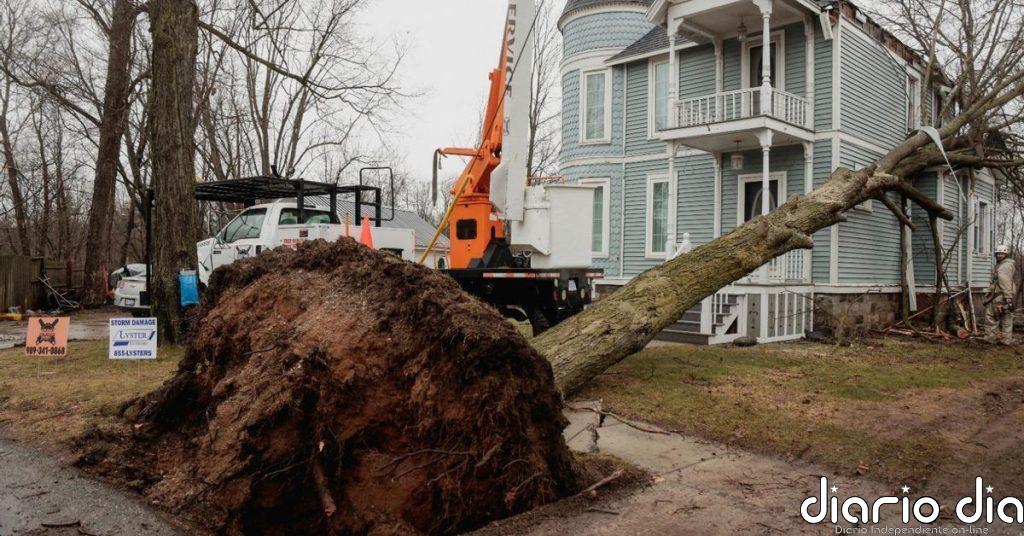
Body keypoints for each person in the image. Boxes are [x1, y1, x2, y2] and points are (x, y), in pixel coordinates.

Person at [985, 245, 1017, 344]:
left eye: (1002, 253)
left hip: (1000, 295)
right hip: (1000, 294)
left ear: (1006, 254)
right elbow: (996, 281)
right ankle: (1005, 340)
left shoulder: (1005, 266)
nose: (999, 255)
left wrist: (1008, 297)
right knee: (1006, 317)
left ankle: (990, 339)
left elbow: (1005, 282)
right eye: (998, 253)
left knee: (992, 316)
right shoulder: (1002, 264)